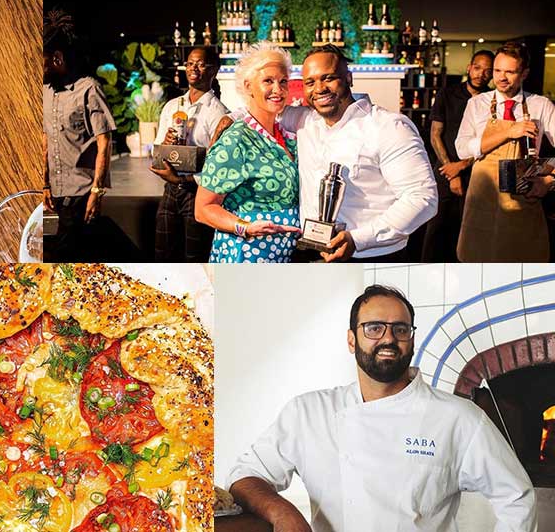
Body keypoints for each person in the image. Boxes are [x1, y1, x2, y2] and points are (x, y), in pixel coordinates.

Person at [228, 285, 536, 532]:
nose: (388, 338)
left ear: (412, 340)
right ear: (352, 340)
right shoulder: (308, 412)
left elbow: (517, 497)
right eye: (374, 328)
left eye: (400, 329)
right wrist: (283, 513)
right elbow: (245, 476)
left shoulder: (459, 418)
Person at [279, 44, 438, 263]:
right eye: (310, 82)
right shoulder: (304, 120)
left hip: (370, 255)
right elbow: (261, 110)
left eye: (328, 78)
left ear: (349, 78)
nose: (319, 88)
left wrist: (359, 239)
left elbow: (422, 198)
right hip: (309, 250)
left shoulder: (388, 127)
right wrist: (230, 117)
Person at [194, 42, 301, 262]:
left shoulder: (286, 135)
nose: (278, 90)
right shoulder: (237, 139)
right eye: (268, 81)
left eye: (283, 82)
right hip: (246, 253)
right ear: (248, 86)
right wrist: (245, 228)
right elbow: (203, 209)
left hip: (281, 253)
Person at [455, 41, 555, 262]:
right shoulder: (477, 104)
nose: (501, 77)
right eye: (498, 70)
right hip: (483, 201)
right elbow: (462, 149)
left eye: (510, 72)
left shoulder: (541, 105)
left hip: (523, 202)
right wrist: (509, 131)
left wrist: (548, 180)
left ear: (524, 73)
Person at [43, 10, 115, 262]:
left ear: (57, 58)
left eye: (41, 60)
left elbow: (104, 143)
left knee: (77, 258)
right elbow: (45, 141)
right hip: (55, 192)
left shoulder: (88, 89)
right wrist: (43, 184)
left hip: (81, 193)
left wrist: (97, 191)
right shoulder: (45, 91)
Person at [149, 46, 228, 263]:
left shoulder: (219, 113)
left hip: (199, 193)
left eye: (201, 64)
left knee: (195, 257)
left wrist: (184, 180)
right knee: (162, 254)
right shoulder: (172, 106)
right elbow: (157, 151)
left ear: (214, 70)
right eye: (191, 63)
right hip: (170, 190)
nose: (194, 68)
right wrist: (165, 145)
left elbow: (219, 164)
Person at [421, 50, 494, 262]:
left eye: (488, 71)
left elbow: (489, 142)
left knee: (468, 229)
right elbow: (435, 135)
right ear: (470, 67)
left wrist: (462, 166)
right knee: (435, 228)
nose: (482, 74)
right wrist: (452, 172)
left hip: (476, 171)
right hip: (444, 170)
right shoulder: (447, 93)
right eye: (478, 68)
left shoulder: (491, 101)